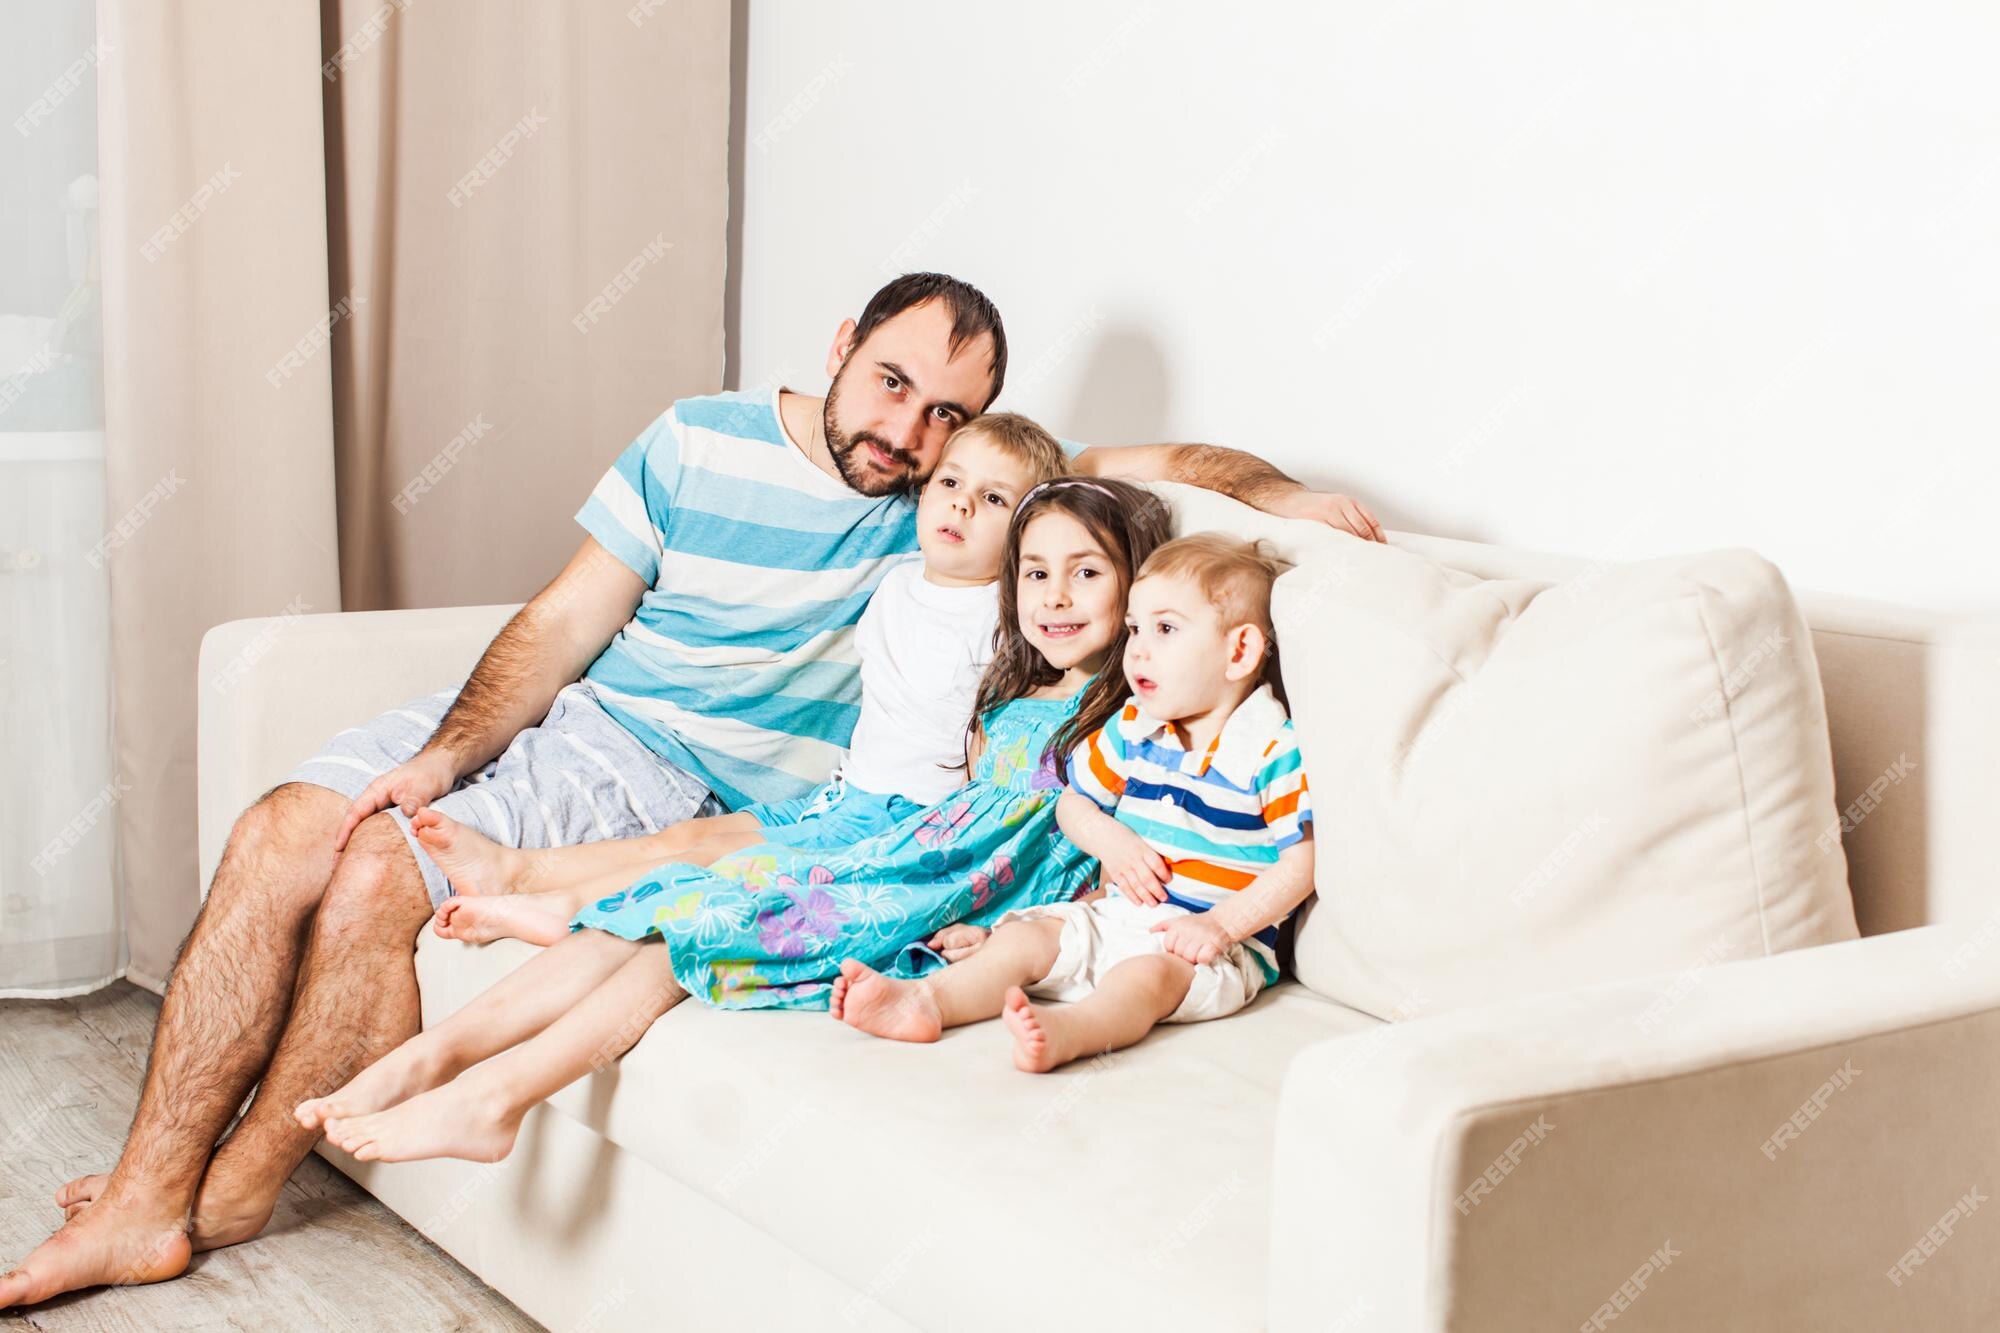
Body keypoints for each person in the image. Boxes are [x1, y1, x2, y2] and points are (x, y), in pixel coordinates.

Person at [0, 271, 1380, 1308]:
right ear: (841, 348)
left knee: (376, 879)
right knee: (289, 827)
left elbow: (1172, 475)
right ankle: (144, 1187)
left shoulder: (963, 509)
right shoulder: (699, 440)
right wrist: (440, 756)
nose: (913, 434)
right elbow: (555, 626)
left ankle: (215, 1196)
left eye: (949, 415)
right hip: (590, 718)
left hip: (708, 786)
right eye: (894, 385)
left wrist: (1284, 491)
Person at [295, 479, 1170, 1163]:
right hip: (893, 856)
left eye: (1088, 571)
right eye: (1036, 571)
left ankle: (496, 1098)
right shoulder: (1016, 692)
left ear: (1138, 584)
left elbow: (1091, 856)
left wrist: (1003, 930)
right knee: (670, 893)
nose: (1056, 595)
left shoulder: (1129, 711)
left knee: (692, 926)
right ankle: (428, 1060)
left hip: (915, 897)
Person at [413, 411, 1068, 948]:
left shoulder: (1010, 614)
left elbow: (1015, 739)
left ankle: (567, 908)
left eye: (992, 499)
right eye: (951, 482)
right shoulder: (899, 580)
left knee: (721, 866)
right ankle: (514, 869)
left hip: (902, 825)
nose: (961, 504)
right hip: (843, 798)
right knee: (689, 837)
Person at [832, 534, 1315, 1072]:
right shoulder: (1135, 727)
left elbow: (1301, 865)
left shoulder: (1269, 747)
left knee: (1143, 979)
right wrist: (1111, 838)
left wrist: (1221, 926)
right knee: (1025, 941)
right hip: (1113, 915)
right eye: (1134, 628)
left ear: (1239, 651)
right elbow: (1073, 805)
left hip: (1204, 950)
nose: (1138, 649)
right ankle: (925, 1001)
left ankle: (1076, 1031)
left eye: (1166, 629)